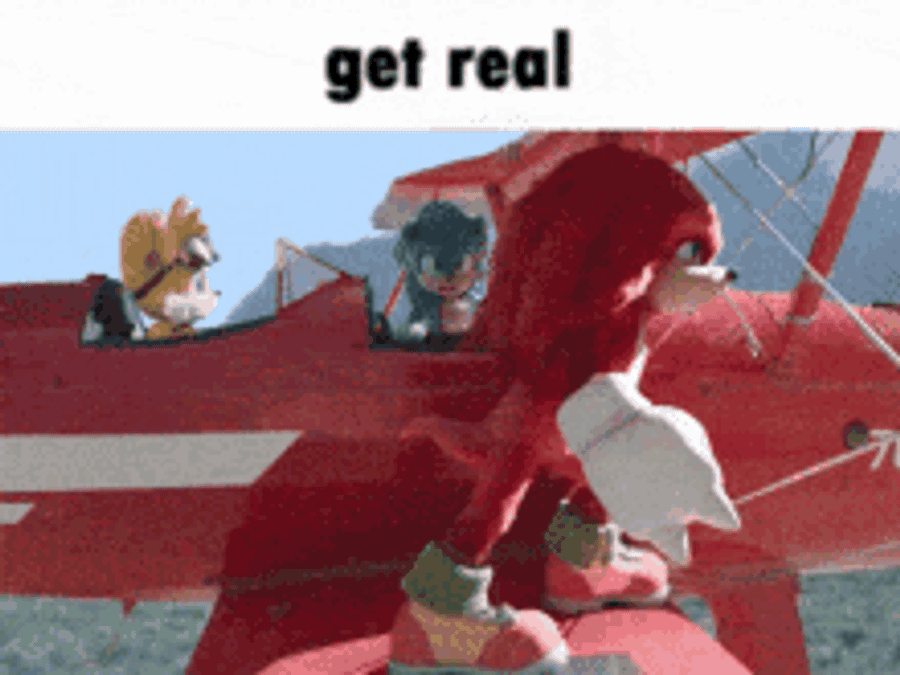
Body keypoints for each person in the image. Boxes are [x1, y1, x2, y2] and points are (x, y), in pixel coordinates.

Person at [388, 143, 740, 674]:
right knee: (504, 492)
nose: (706, 275)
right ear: (629, 252)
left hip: (571, 425)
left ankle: (583, 557)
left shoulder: (614, 327)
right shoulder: (576, 350)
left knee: (581, 462)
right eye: (686, 252)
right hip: (552, 422)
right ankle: (436, 613)